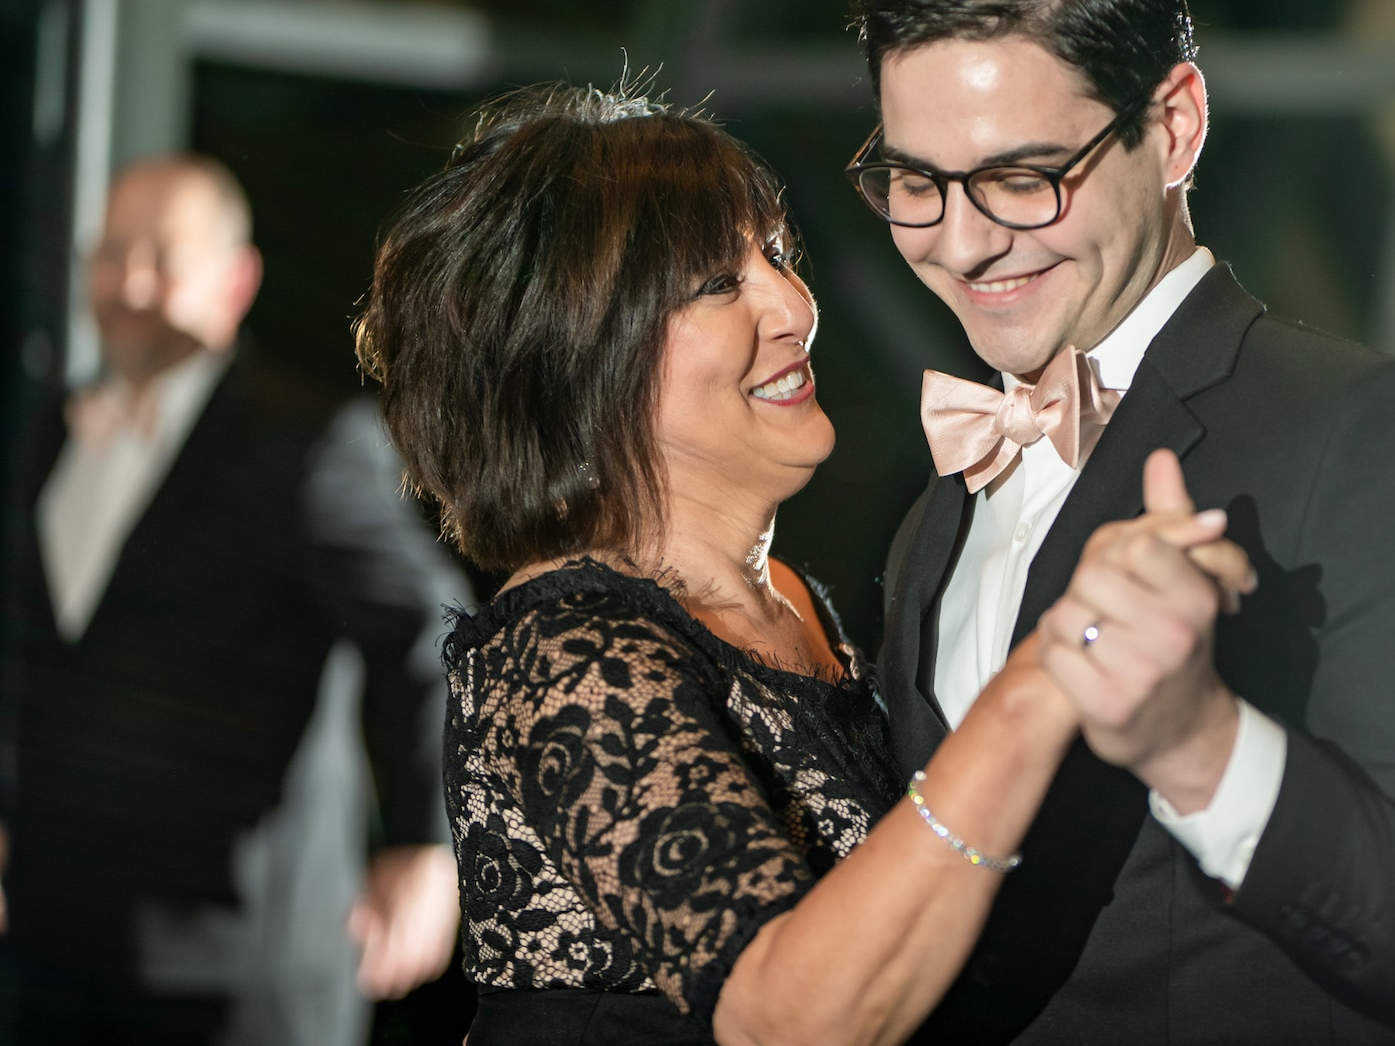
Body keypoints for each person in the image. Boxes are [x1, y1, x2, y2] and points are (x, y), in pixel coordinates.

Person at [354, 85, 1253, 1046]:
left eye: (776, 257)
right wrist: (1043, 680)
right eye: (715, 283)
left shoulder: (790, 603)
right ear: (578, 360)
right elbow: (785, 1021)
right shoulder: (567, 651)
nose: (793, 307)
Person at [847, 0, 1395, 1045]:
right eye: (916, 183)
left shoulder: (1371, 433)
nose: (963, 241)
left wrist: (1199, 748)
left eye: (1022, 176)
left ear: (1173, 126)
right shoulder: (934, 510)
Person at [1, 155, 464, 1045]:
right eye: (112, 252)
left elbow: (426, 629)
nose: (130, 281)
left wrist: (428, 846)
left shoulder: (304, 442)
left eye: (161, 255)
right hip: (53, 946)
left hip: (245, 967)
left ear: (236, 280)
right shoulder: (47, 433)